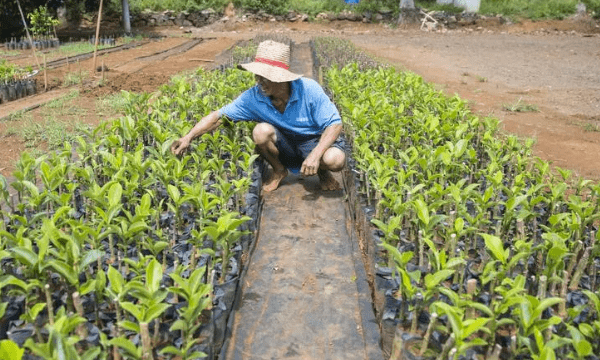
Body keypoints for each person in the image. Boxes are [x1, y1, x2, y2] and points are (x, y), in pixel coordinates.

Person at [171, 40, 346, 192]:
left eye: (264, 77)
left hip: (312, 143)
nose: (258, 81)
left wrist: (315, 155)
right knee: (260, 131)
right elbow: (217, 117)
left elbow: (335, 124)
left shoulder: (309, 89)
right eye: (257, 76)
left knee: (335, 159)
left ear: (280, 78)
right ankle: (279, 170)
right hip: (284, 145)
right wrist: (188, 137)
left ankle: (322, 172)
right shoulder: (253, 97)